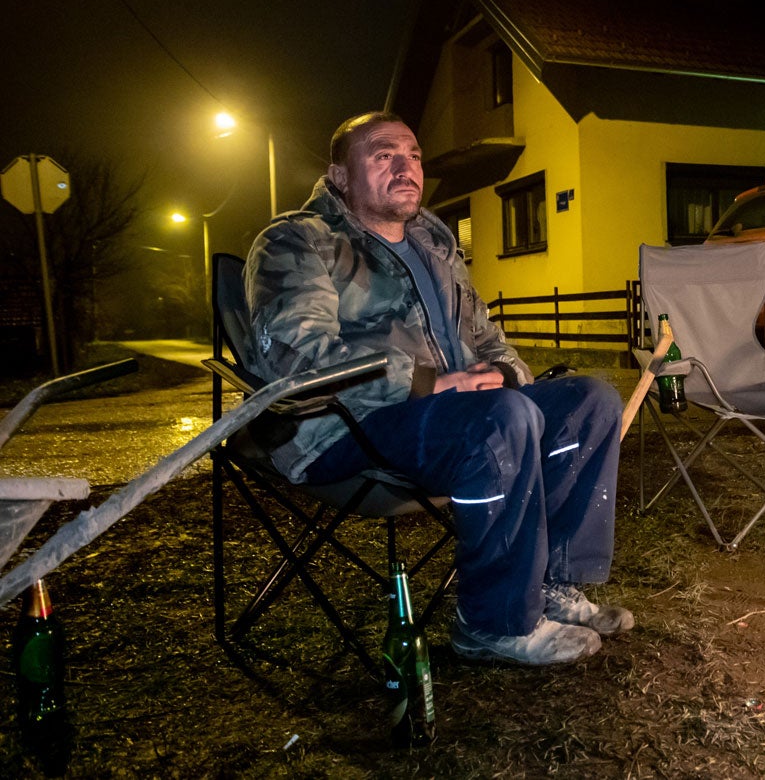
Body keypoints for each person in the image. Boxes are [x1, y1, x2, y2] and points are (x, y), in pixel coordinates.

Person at [246, 111, 630, 665]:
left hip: (455, 418)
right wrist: (429, 381)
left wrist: (506, 374)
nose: (405, 167)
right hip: (342, 424)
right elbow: (296, 354)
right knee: (501, 419)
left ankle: (548, 582)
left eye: (414, 156)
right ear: (339, 175)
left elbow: (486, 334)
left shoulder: (434, 244)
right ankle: (492, 622)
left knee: (590, 401)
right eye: (382, 155)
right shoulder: (299, 240)